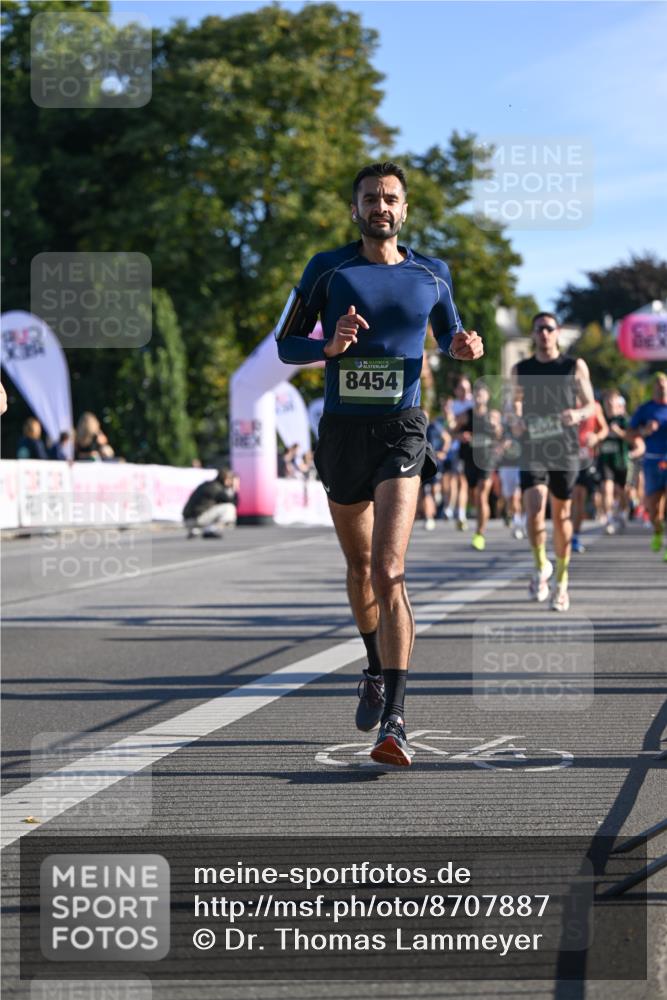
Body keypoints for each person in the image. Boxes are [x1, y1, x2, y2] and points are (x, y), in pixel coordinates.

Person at [276, 161, 483, 766]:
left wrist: (463, 346)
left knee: (390, 570)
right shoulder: (327, 268)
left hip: (402, 428)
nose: (381, 207)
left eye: (390, 199)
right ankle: (371, 665)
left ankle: (394, 719)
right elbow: (287, 342)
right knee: (360, 565)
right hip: (343, 432)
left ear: (405, 210)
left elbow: (450, 335)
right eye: (370, 198)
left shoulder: (432, 273)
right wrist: (328, 347)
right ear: (355, 209)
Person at [511, 312, 597, 612]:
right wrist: (516, 421)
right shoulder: (521, 368)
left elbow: (590, 405)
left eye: (549, 328)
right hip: (533, 446)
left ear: (558, 332)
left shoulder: (574, 366)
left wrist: (578, 414)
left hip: (565, 448)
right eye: (539, 329)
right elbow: (514, 404)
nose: (544, 333)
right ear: (534, 334)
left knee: (561, 516)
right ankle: (541, 566)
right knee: (534, 508)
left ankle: (561, 582)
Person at [454, 382, 501, 551]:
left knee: (482, 495)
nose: (479, 397)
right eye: (477, 394)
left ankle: (480, 534)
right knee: (474, 495)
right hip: (469, 458)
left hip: (487, 459)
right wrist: (460, 435)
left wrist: (496, 429)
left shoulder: (493, 415)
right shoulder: (466, 415)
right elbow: (451, 431)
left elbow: (501, 434)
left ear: (487, 397)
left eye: (482, 394)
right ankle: (478, 525)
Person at [628, 372, 667, 561]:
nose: (662, 388)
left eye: (664, 384)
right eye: (658, 385)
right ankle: (658, 532)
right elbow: (630, 433)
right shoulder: (645, 409)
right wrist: (644, 430)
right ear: (653, 388)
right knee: (653, 509)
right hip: (652, 461)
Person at [571, 398, 608, 553]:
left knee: (579, 497)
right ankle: (565, 533)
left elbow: (604, 429)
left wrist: (596, 437)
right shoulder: (565, 401)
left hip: (587, 458)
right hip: (566, 457)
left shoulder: (594, 405)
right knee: (568, 499)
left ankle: (574, 536)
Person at [598, 390, 630, 534]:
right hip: (605, 461)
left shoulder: (623, 420)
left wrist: (619, 432)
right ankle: (609, 519)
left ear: (618, 404)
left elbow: (633, 438)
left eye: (613, 403)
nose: (610, 406)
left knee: (623, 492)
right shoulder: (602, 420)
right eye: (607, 403)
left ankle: (623, 512)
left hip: (621, 461)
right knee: (607, 489)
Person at [182, 468, 239, 538]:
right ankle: (211, 529)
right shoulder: (216, 488)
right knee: (229, 508)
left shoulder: (208, 484)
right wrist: (235, 489)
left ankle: (196, 530)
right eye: (230, 480)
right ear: (226, 479)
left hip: (187, 520)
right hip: (197, 519)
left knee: (216, 507)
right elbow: (233, 502)